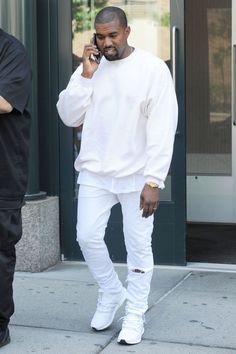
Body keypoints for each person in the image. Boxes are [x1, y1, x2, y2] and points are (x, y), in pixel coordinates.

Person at [57, 6, 178, 345]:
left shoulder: (152, 69)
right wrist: (84, 76)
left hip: (137, 176)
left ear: (127, 31)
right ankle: (111, 291)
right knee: (86, 236)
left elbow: (162, 128)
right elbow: (68, 115)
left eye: (112, 35)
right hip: (95, 171)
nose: (106, 42)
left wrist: (154, 180)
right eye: (100, 35)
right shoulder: (89, 69)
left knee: (138, 246)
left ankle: (135, 314)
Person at [0, 29, 31, 347]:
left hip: (3, 173)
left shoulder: (11, 51)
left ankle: (0, 326)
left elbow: (5, 103)